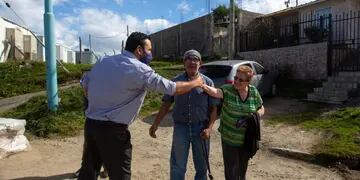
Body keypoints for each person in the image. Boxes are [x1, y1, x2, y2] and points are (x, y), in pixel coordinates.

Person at [78, 32, 204, 180]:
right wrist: (196, 82)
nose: (150, 54)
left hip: (91, 125)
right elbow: (172, 88)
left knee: (88, 171)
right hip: (113, 132)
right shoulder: (139, 69)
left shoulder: (103, 61)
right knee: (120, 175)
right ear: (139, 50)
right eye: (149, 50)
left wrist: (100, 102)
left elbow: (85, 85)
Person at [149, 50, 219, 180]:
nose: (192, 62)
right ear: (184, 62)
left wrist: (209, 128)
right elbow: (166, 104)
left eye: (195, 59)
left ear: (200, 63)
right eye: (189, 59)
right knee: (177, 166)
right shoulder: (175, 82)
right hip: (181, 128)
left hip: (201, 128)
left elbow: (213, 108)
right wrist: (156, 124)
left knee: (202, 166)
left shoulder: (208, 82)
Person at [201, 65, 265, 180]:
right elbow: (216, 92)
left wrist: (255, 115)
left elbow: (261, 107)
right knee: (231, 172)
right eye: (236, 78)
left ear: (248, 82)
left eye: (241, 80)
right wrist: (202, 85)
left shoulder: (253, 91)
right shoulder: (228, 89)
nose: (236, 81)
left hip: (246, 140)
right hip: (229, 140)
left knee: (242, 170)